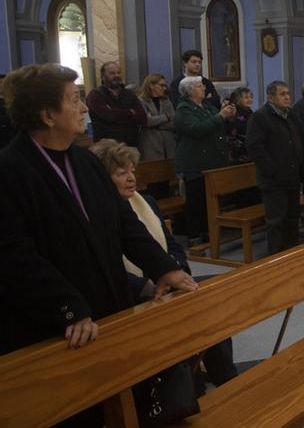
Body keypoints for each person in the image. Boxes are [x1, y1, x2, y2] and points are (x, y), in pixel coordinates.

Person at [0, 64, 197, 425]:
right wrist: (69, 307)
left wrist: (164, 267)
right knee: (76, 412)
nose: (84, 107)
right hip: (56, 322)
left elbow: (124, 224)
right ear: (47, 115)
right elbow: (14, 256)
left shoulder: (85, 162)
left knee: (120, 400)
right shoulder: (10, 170)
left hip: (107, 304)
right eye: (74, 100)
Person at [90, 138, 237, 387]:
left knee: (212, 293)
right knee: (186, 315)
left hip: (167, 283)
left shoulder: (147, 203)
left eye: (132, 171)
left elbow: (174, 247)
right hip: (134, 294)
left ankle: (225, 379)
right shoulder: (96, 215)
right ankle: (190, 389)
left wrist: (176, 272)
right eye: (121, 173)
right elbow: (109, 264)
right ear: (103, 178)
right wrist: (151, 285)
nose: (131, 178)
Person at [246, 81, 304, 256]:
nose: (287, 97)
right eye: (282, 94)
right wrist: (271, 170)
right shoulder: (260, 117)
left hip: (292, 176)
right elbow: (255, 148)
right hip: (273, 180)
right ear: (271, 97)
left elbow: (300, 141)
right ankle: (276, 257)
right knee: (276, 221)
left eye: (288, 93)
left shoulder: (291, 115)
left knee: (292, 218)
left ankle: (292, 254)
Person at [174, 76, 236, 242]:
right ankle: (194, 234)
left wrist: (228, 116)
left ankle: (208, 230)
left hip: (212, 159)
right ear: (189, 91)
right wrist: (219, 116)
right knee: (196, 199)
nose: (203, 88)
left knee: (209, 198)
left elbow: (220, 125)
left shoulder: (207, 106)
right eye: (199, 86)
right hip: (195, 161)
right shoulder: (183, 109)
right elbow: (197, 129)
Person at [86, 61, 146, 147]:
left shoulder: (129, 94)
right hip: (107, 147)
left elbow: (142, 117)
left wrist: (114, 113)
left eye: (118, 73)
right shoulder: (95, 95)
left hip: (131, 145)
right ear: (103, 76)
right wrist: (130, 112)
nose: (116, 75)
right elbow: (108, 115)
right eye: (112, 73)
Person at [137, 73, 176, 161]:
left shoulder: (166, 101)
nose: (164, 88)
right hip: (150, 145)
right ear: (151, 85)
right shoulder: (141, 101)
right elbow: (147, 121)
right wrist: (166, 116)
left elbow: (174, 121)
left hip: (169, 146)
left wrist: (156, 124)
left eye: (165, 86)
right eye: (161, 85)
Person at [226, 86, 254, 164]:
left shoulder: (249, 111)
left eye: (251, 97)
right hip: (239, 152)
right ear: (238, 99)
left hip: (249, 149)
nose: (250, 100)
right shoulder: (235, 112)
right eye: (246, 97)